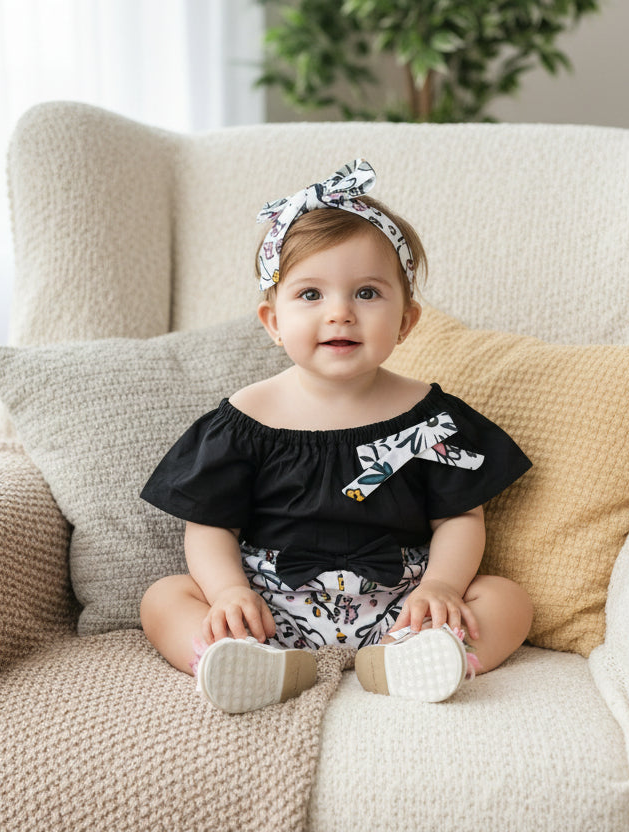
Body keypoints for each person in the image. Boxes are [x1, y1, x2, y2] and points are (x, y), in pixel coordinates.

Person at [140, 159, 533, 713]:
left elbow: (460, 517)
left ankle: (421, 660)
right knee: (164, 598)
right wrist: (230, 593)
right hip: (267, 606)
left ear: (406, 320)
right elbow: (208, 527)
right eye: (310, 295)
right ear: (273, 321)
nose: (341, 314)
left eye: (368, 293)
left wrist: (441, 587)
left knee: (506, 597)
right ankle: (236, 662)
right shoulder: (245, 418)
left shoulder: (429, 416)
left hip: (404, 604)